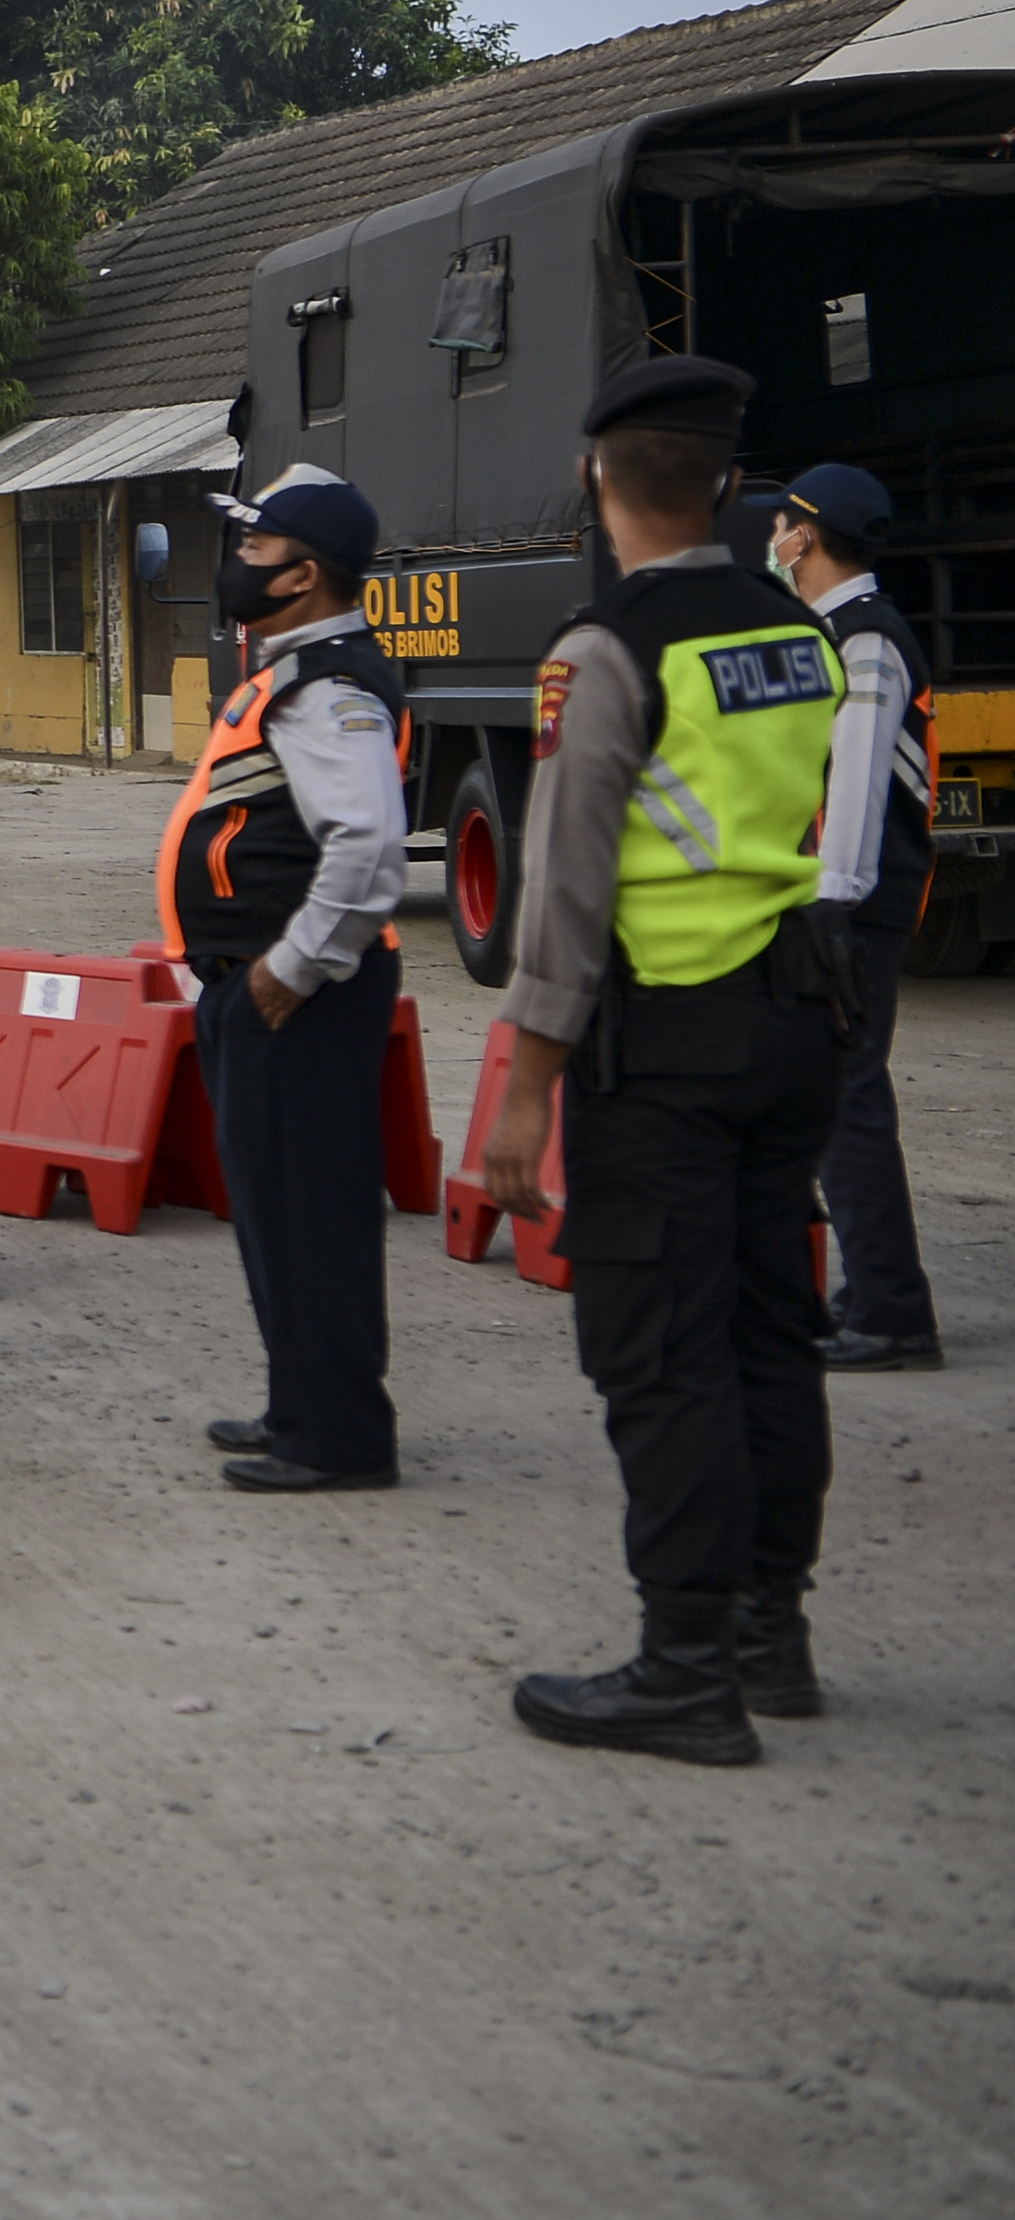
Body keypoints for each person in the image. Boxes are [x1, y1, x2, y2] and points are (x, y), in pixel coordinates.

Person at [479, 356, 847, 1764]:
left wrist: (523, 1089)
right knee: (771, 1330)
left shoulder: (605, 650)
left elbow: (568, 897)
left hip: (669, 1044)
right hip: (792, 1027)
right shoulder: (795, 632)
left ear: (594, 478)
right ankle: (772, 1631)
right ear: (733, 487)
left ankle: (684, 1665)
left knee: (661, 1349)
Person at [158, 465, 412, 1494]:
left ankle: (340, 1433)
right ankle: (298, 1401)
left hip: (295, 997)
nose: (237, 566)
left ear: (303, 574)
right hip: (258, 989)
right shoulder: (294, 670)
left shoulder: (331, 685)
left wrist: (286, 972)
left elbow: (368, 846)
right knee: (274, 1211)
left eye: (254, 550)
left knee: (315, 1217)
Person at [764, 463, 943, 1373]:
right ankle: (868, 1292)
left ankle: (893, 1312)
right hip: (845, 898)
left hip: (860, 902)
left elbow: (863, 782)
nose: (776, 535)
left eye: (786, 521)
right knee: (836, 1096)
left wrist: (833, 903)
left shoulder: (865, 638)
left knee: (849, 1100)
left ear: (810, 536)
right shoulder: (833, 631)